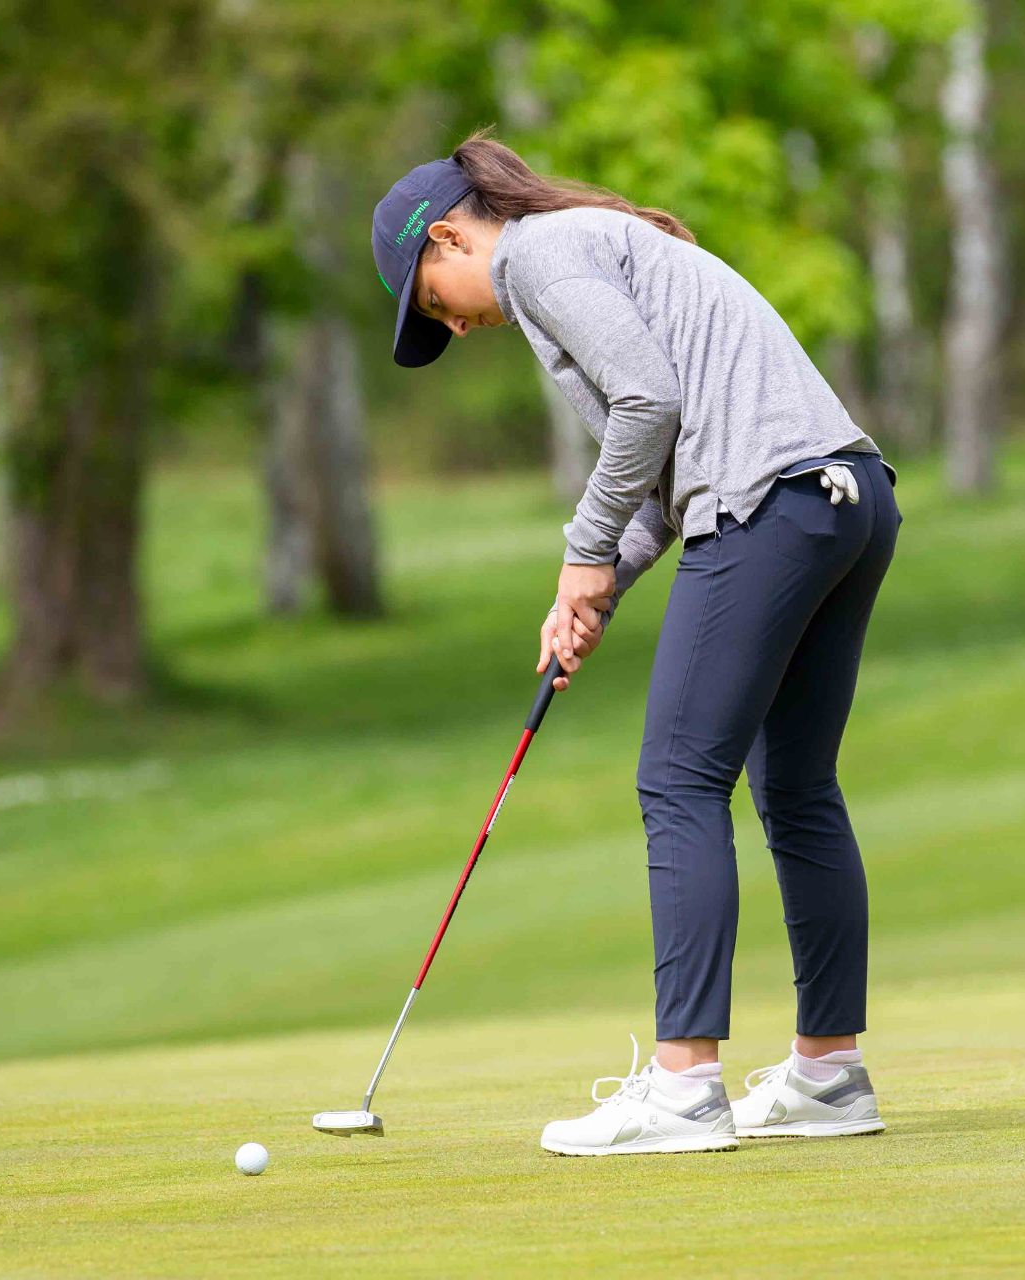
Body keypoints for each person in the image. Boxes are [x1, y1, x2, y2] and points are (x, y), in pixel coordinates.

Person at [371, 128, 902, 1156]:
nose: (457, 326)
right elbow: (668, 468)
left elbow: (647, 403)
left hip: (769, 501)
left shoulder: (539, 255)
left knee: (677, 779)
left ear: (449, 237)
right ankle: (829, 1075)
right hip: (848, 497)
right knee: (796, 788)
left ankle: (685, 1087)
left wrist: (581, 550)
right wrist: (598, 585)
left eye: (436, 302)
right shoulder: (588, 243)